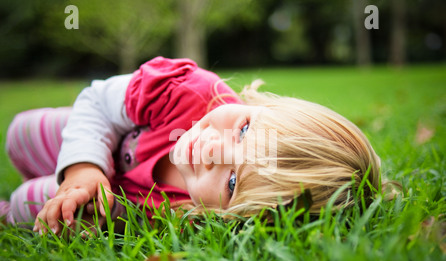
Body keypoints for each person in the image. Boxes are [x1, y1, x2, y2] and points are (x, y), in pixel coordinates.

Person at [1, 56, 381, 235]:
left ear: (235, 218)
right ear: (266, 106)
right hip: (98, 128)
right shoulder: (190, 92)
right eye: (246, 132)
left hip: (108, 191)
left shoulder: (191, 216)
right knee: (20, 133)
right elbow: (98, 101)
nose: (215, 151)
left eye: (232, 182)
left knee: (30, 204)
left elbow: (132, 220)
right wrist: (84, 169)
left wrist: (104, 214)